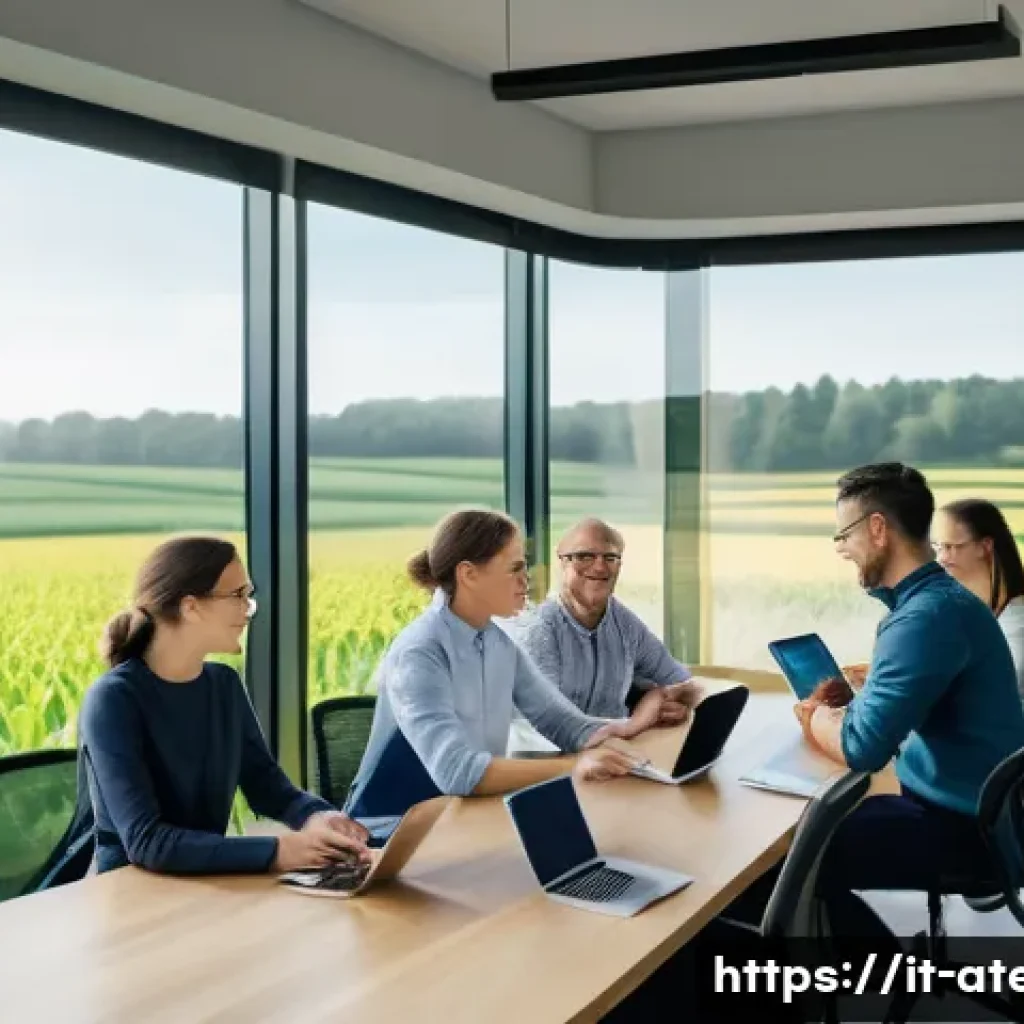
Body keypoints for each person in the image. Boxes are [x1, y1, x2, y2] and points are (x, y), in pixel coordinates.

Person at [729, 463, 1024, 940]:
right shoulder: (942, 603)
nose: (842, 548)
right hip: (979, 816)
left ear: (878, 528)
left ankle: (870, 971)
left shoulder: (925, 617)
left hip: (965, 833)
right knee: (807, 836)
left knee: (783, 859)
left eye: (844, 534)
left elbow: (862, 748)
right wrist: (855, 706)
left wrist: (814, 717)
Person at [344, 509, 667, 819]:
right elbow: (458, 772)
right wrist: (574, 766)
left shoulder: (496, 642)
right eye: (515, 569)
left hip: (465, 814)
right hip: (393, 828)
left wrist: (627, 743)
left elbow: (561, 722)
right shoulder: (419, 651)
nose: (526, 580)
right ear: (469, 574)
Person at [78, 536, 370, 876]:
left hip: (207, 881)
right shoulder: (114, 699)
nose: (249, 609)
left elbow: (267, 787)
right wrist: (279, 851)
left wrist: (317, 816)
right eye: (238, 595)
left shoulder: (224, 684)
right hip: (133, 889)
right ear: (191, 607)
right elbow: (147, 842)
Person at [511, 518, 698, 730]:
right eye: (584, 556)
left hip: (618, 744)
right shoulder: (538, 629)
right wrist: (638, 721)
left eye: (610, 557)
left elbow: (683, 681)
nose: (600, 567)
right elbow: (550, 724)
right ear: (562, 562)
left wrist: (673, 701)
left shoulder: (624, 624)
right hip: (553, 749)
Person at [934, 497, 1024, 701]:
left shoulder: (1017, 625)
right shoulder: (970, 611)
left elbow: (993, 690)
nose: (940, 559)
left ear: (985, 546)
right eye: (937, 547)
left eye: (949, 547)